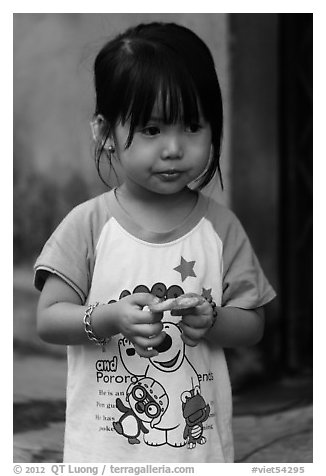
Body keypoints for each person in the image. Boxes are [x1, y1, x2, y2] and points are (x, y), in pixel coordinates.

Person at [34, 22, 276, 463]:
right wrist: (109, 318)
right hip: (102, 454)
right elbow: (49, 319)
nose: (173, 148)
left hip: (196, 452)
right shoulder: (87, 225)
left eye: (191, 126)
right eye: (150, 129)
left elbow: (253, 324)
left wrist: (212, 321)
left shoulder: (220, 228)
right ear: (104, 132)